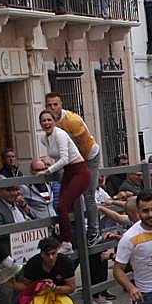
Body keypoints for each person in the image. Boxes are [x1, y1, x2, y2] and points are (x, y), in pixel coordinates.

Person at [44, 93, 103, 244]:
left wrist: (76, 168)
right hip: (71, 162)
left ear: (61, 105)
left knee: (89, 194)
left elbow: (83, 146)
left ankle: (94, 231)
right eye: (49, 105)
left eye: (55, 104)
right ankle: (73, 230)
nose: (52, 108)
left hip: (88, 156)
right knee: (69, 196)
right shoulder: (50, 124)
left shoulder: (73, 121)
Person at [37, 109, 91, 250]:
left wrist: (48, 170)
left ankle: (67, 242)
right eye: (43, 121)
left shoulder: (60, 134)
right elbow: (57, 158)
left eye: (49, 120)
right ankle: (70, 240)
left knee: (62, 205)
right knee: (60, 207)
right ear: (40, 124)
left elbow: (65, 158)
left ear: (54, 122)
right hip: (67, 172)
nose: (46, 123)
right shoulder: (44, 139)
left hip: (79, 171)